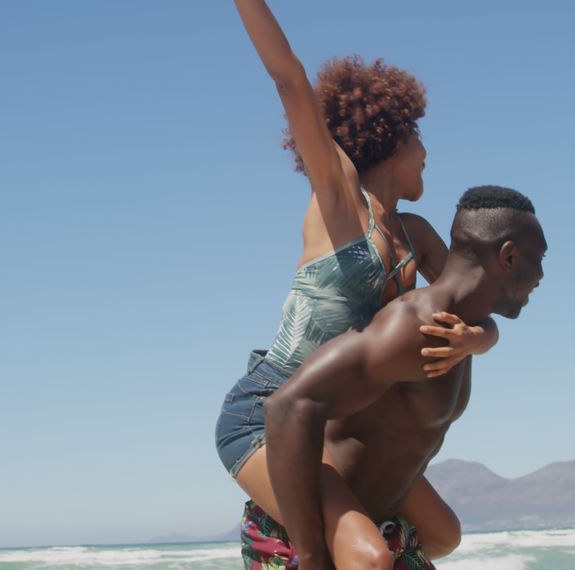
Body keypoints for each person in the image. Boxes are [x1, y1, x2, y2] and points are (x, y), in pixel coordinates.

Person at [215, 0, 498, 565]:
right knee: (367, 556)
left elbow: (475, 306)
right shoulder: (342, 201)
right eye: (420, 142)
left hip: (333, 420)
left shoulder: (417, 235)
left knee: (442, 536)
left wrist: (475, 340)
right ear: (394, 138)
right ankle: (283, 543)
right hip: (267, 413)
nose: (427, 156)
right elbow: (289, 79)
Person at [255, 185, 548, 569]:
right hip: (305, 539)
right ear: (508, 256)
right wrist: (311, 556)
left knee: (444, 537)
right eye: (538, 258)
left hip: (385, 531)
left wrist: (478, 339)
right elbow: (286, 407)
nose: (542, 274)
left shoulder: (461, 331)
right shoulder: (412, 325)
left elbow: (488, 328)